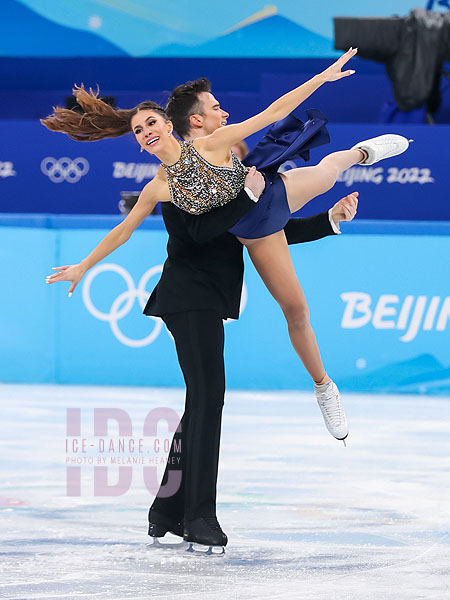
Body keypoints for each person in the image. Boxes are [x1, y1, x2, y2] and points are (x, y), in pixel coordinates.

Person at [42, 49, 405, 548]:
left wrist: (321, 78)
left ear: (169, 125)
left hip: (225, 264)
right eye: (139, 131)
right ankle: (198, 517)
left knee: (201, 404)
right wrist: (84, 265)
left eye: (151, 124)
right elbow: (130, 232)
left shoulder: (214, 145)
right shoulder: (160, 188)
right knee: (215, 392)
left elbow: (273, 116)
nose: (145, 133)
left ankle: (166, 509)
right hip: (192, 290)